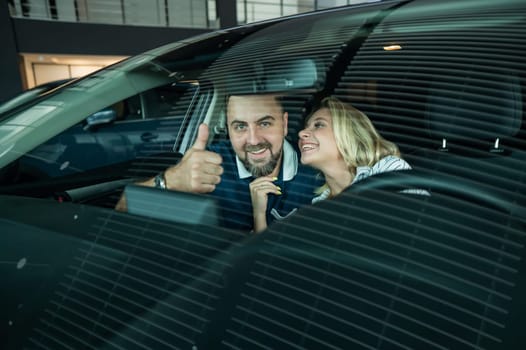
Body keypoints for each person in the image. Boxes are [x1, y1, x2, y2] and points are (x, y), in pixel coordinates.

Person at [116, 93, 321, 232]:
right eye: (240, 126)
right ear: (228, 130)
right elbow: (121, 216)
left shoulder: (314, 165)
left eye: (264, 123)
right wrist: (170, 181)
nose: (253, 140)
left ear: (284, 125)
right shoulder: (208, 164)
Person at [252, 96, 413, 232]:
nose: (301, 133)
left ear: (347, 132)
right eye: (305, 127)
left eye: (319, 125)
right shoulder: (318, 206)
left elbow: (413, 233)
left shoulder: (388, 171)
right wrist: (259, 214)